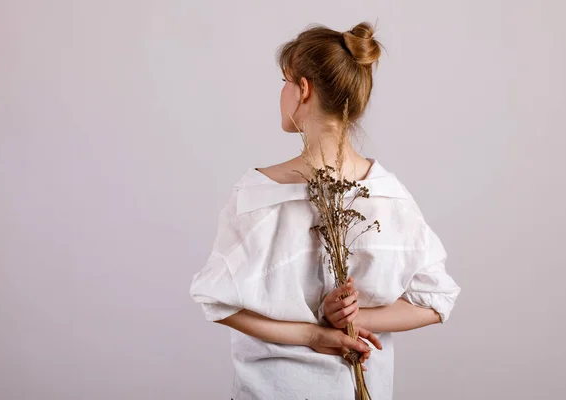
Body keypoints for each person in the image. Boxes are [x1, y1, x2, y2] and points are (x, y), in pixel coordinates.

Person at [190, 21, 462, 400]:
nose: (282, 93)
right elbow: (437, 300)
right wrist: (357, 320)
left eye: (285, 82)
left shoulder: (258, 194)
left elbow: (214, 300)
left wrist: (315, 334)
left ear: (303, 89)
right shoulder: (389, 195)